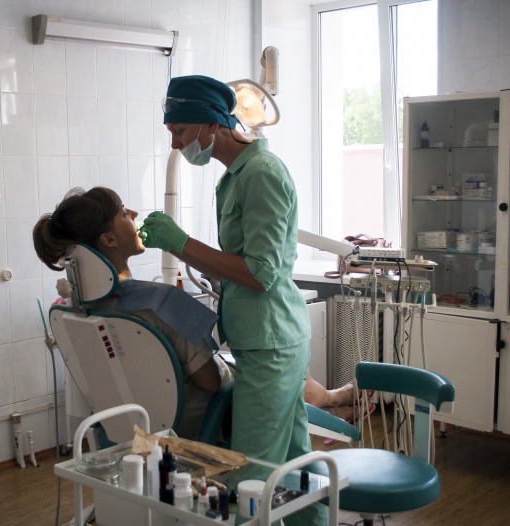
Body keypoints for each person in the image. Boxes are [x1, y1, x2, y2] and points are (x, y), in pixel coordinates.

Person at [140, 75, 325, 525]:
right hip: (261, 338)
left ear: (211, 125)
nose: (175, 143)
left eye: (180, 131)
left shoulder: (262, 174)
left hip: (272, 340)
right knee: (292, 464)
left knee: (251, 475)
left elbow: (261, 273)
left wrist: (182, 244)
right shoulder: (236, 175)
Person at [32, 186, 232, 441]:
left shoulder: (72, 309)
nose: (135, 213)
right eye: (124, 213)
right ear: (109, 240)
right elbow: (211, 382)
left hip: (128, 433)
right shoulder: (164, 303)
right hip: (186, 434)